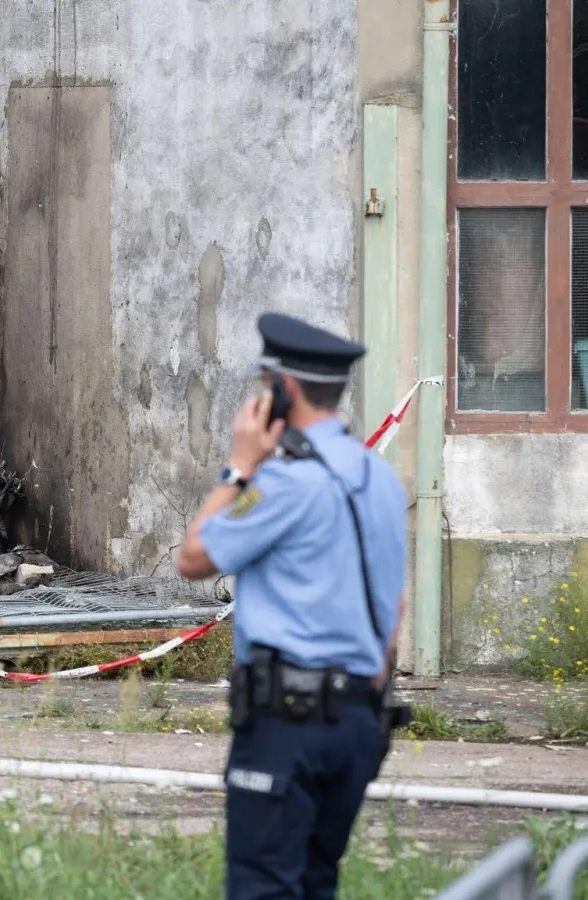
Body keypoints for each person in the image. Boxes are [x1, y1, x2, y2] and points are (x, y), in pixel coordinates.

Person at [175, 313, 409, 900]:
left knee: (264, 889)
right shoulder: (380, 479)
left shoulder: (282, 486)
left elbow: (194, 556)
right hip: (359, 721)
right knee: (315, 883)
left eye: (262, 386)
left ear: (283, 390)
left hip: (288, 726)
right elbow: (394, 605)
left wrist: (240, 466)